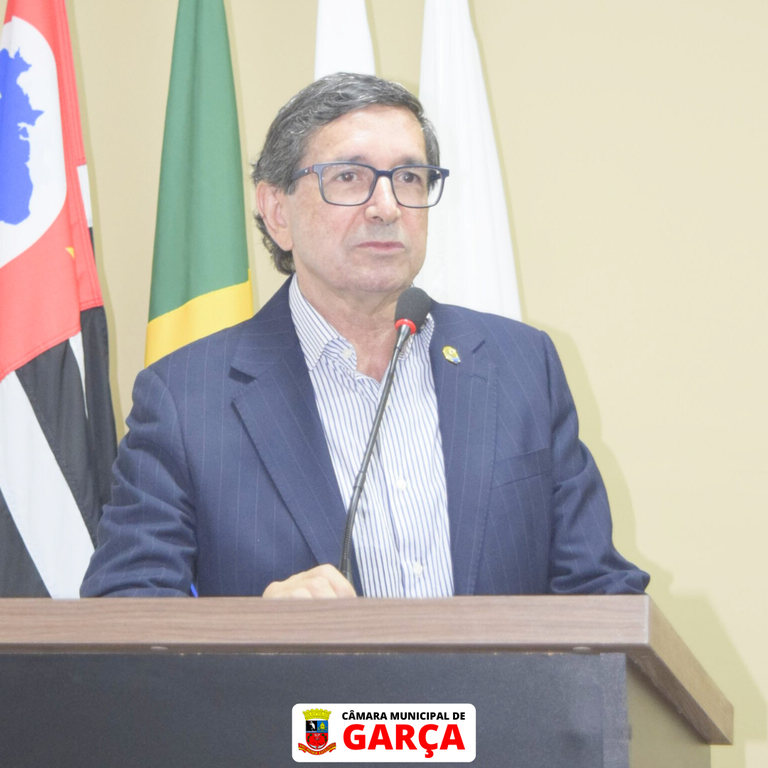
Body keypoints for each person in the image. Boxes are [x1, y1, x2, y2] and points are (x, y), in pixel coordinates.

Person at [81, 73, 648, 599]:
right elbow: (127, 606)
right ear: (277, 211)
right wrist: (254, 633)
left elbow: (598, 590)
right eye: (349, 177)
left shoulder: (521, 364)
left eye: (409, 178)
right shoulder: (184, 399)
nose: (386, 207)